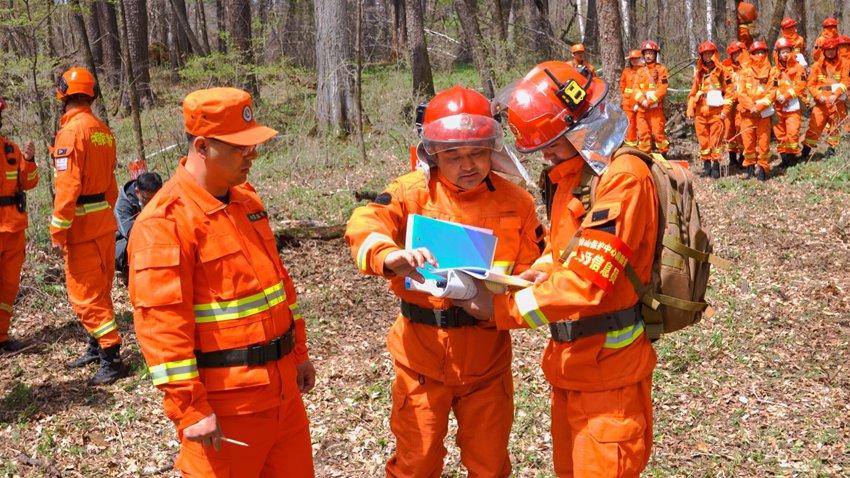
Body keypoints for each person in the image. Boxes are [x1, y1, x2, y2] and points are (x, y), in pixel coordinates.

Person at [460, 61, 658, 477]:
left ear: (580, 126)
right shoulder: (575, 175)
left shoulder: (623, 180)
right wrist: (540, 271)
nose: (546, 155)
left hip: (610, 378)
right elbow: (562, 248)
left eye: (551, 143)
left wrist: (502, 311)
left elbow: (587, 284)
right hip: (571, 365)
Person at [345, 85, 545, 477]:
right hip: (420, 357)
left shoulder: (516, 202)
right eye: (453, 156)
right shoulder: (411, 193)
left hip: (487, 358)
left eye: (477, 153)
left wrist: (523, 286)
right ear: (433, 154)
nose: (467, 165)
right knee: (416, 465)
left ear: (492, 148)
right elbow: (365, 223)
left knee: (489, 466)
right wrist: (389, 255)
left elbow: (532, 271)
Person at [129, 87, 316, 477]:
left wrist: (298, 352)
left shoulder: (247, 201)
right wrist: (191, 409)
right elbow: (161, 328)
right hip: (226, 412)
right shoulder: (164, 223)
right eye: (239, 148)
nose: (252, 156)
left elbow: (278, 287)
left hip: (283, 397)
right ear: (202, 146)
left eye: (252, 147)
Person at [50, 66, 127, 384]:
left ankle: (111, 356)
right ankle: (96, 346)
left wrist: (58, 229)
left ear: (63, 95)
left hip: (81, 228)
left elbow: (67, 187)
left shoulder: (70, 133)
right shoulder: (102, 131)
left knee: (84, 296)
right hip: (103, 224)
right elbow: (111, 184)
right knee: (101, 290)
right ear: (91, 95)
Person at [0, 97, 37, 352]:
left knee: (9, 285)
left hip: (13, 229)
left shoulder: (11, 150)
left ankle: (1, 336)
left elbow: (30, 182)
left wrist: (30, 160)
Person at [687, 41, 732, 179]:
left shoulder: (722, 71)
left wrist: (725, 111)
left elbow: (729, 92)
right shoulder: (699, 73)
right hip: (700, 112)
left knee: (715, 141)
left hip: (716, 112)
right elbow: (693, 92)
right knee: (703, 141)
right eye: (704, 54)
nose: (707, 56)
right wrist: (690, 108)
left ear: (714, 54)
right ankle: (706, 166)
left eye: (709, 53)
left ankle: (716, 166)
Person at [802, 37, 848, 160]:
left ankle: (831, 150)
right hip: (821, 103)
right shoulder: (817, 66)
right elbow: (810, 85)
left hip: (837, 102)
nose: (831, 52)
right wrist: (818, 96)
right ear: (824, 51)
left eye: (833, 49)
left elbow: (846, 82)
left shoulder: (844, 63)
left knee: (835, 128)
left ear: (837, 50)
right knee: (814, 128)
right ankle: (805, 152)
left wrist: (836, 95)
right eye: (828, 50)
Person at [736, 41, 775, 180]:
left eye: (762, 52)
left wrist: (758, 107)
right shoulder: (744, 72)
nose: (759, 55)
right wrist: (750, 106)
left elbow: (772, 93)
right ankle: (750, 168)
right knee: (748, 143)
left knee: (764, 143)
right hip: (747, 114)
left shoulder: (771, 71)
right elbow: (741, 93)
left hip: (763, 114)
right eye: (756, 52)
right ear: (751, 54)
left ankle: (763, 169)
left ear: (766, 54)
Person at [114, 171, 162, 279]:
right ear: (137, 191)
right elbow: (132, 235)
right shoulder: (122, 206)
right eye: (146, 199)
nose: (151, 203)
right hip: (124, 242)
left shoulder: (160, 192)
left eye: (155, 199)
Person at [772, 37, 808, 168]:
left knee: (793, 133)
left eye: (787, 51)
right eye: (782, 52)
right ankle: (784, 159)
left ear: (791, 52)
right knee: (780, 134)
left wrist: (786, 96)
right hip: (778, 108)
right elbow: (772, 87)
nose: (785, 54)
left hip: (793, 107)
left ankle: (792, 158)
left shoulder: (799, 68)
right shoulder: (774, 71)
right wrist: (777, 95)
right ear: (778, 54)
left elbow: (801, 85)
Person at [633, 40, 670, 155]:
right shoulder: (640, 71)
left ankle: (663, 156)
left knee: (659, 134)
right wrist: (642, 100)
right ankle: (645, 157)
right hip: (642, 110)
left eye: (651, 53)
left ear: (655, 54)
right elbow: (635, 88)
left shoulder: (662, 70)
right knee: (643, 135)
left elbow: (663, 88)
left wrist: (649, 101)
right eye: (646, 53)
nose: (648, 56)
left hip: (655, 110)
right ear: (643, 55)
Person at [723, 41, 750, 168]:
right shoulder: (727, 68)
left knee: (741, 128)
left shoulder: (748, 68)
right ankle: (732, 157)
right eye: (733, 54)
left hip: (742, 104)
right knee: (729, 130)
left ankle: (743, 156)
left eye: (738, 53)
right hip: (729, 104)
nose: (736, 56)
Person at [620, 49, 643, 148]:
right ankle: (630, 145)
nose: (634, 61)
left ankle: (642, 145)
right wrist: (625, 97)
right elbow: (622, 85)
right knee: (630, 124)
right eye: (632, 59)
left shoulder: (643, 70)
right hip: (628, 102)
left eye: (636, 59)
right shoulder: (626, 71)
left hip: (640, 101)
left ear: (639, 59)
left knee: (641, 123)